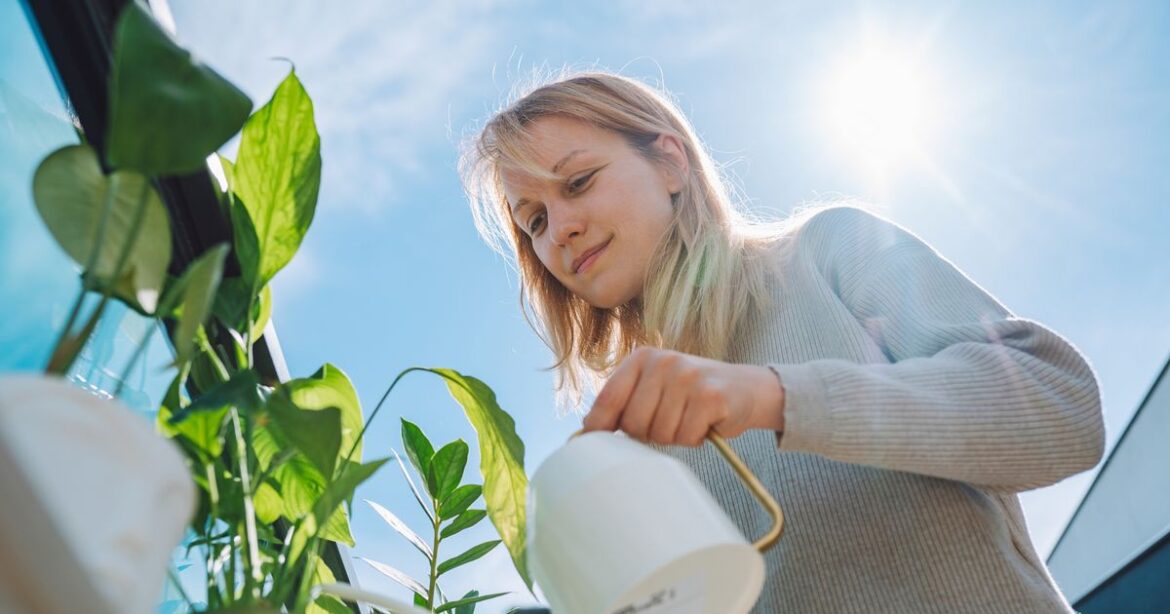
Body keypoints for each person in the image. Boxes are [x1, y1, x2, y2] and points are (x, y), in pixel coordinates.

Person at [460, 71, 1104, 612]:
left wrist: (772, 397)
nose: (560, 231)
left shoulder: (830, 251)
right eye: (534, 221)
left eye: (578, 182)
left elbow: (1063, 408)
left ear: (670, 162)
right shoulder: (634, 438)